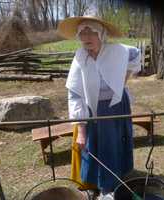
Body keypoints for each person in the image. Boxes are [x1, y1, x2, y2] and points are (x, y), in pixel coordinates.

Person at [57, 16, 141, 198]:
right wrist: (80, 130)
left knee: (115, 143)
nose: (86, 37)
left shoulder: (117, 51)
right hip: (93, 110)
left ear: (101, 34)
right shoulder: (80, 58)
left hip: (117, 106)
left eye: (92, 32)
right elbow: (75, 94)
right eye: (82, 33)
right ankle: (102, 184)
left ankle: (114, 181)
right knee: (95, 146)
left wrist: (122, 81)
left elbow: (135, 54)